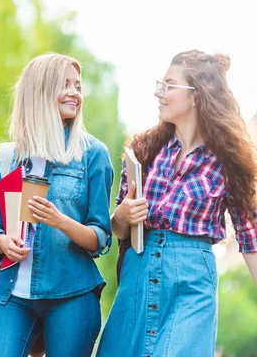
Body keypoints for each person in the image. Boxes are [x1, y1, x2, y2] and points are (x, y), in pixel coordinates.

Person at [98, 50, 257, 357]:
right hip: (138, 278)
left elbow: (250, 240)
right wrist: (122, 214)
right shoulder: (144, 151)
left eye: (169, 85)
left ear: (196, 95)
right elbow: (118, 230)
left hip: (191, 285)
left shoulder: (227, 161)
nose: (159, 92)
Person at [0, 53, 114, 357]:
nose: (74, 93)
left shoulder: (92, 154)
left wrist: (60, 221)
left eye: (77, 86)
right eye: (64, 84)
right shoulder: (10, 156)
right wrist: (2, 242)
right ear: (39, 90)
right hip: (12, 293)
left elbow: (100, 239)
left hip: (72, 295)